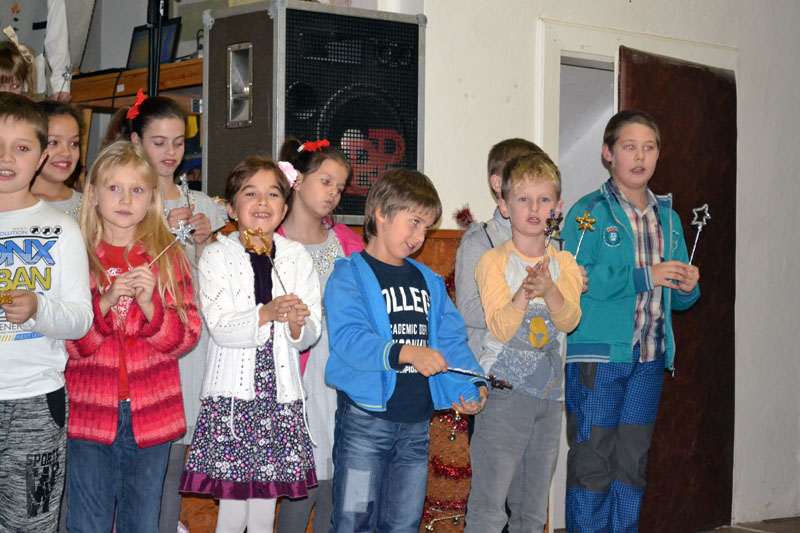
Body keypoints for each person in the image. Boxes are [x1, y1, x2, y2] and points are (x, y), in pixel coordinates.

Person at [324, 168, 488, 532]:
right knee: (353, 520)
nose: (419, 236)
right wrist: (408, 352)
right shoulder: (349, 275)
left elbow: (451, 342)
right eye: (413, 222)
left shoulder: (428, 281)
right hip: (364, 424)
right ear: (381, 212)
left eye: (426, 227)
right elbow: (349, 340)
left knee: (404, 523)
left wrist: (471, 386)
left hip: (416, 428)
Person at [561, 109, 700, 532]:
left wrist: (687, 286)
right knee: (593, 464)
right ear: (608, 153)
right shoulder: (588, 212)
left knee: (632, 466)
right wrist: (646, 276)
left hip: (650, 360)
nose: (640, 156)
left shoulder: (669, 218)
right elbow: (576, 280)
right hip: (598, 361)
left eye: (649, 147)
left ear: (658, 154)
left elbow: (679, 300)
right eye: (629, 146)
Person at [63, 140, 200, 532]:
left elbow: (186, 337)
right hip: (90, 415)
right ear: (92, 194)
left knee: (141, 523)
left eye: (137, 190)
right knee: (87, 523)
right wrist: (105, 303)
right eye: (114, 188)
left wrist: (151, 307)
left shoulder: (167, 257)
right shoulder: (77, 255)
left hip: (152, 416)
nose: (125, 199)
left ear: (152, 199)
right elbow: (71, 344)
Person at [179, 155, 321, 533]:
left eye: (273, 194)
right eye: (250, 193)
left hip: (279, 398)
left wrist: (297, 324)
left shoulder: (296, 257)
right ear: (231, 208)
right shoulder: (217, 255)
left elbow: (310, 334)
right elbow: (220, 327)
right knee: (232, 509)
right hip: (233, 400)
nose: (262, 202)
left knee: (263, 509)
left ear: (284, 209)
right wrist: (267, 313)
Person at [117, 93, 227, 530]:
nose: (170, 153)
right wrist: (160, 226)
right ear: (136, 142)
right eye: (158, 142)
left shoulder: (204, 205)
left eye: (178, 143)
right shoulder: (123, 203)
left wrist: (203, 242)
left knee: (174, 460)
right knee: (139, 458)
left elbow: (215, 286)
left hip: (191, 343)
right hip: (143, 343)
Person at [464, 152, 582, 531]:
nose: (534, 209)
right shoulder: (493, 262)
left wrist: (550, 289)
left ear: (557, 208)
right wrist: (524, 292)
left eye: (544, 200)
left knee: (531, 512)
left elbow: (570, 320)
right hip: (504, 395)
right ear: (505, 206)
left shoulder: (565, 263)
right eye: (524, 199)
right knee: (489, 508)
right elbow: (499, 328)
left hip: (550, 398)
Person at [0, 92, 91, 533]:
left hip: (36, 403)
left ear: (40, 157)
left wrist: (38, 308)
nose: (7, 158)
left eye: (21, 147)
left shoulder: (62, 229)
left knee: (31, 524)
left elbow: (80, 319)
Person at [274, 138, 363, 533]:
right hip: (295, 375)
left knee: (338, 479)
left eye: (339, 188)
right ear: (296, 179)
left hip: (340, 371)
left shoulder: (347, 241)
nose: (333, 194)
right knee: (302, 481)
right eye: (326, 181)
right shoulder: (271, 242)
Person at [31, 101, 82, 218]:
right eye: (53, 142)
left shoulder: (90, 206)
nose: (66, 153)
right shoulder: (12, 205)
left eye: (74, 144)